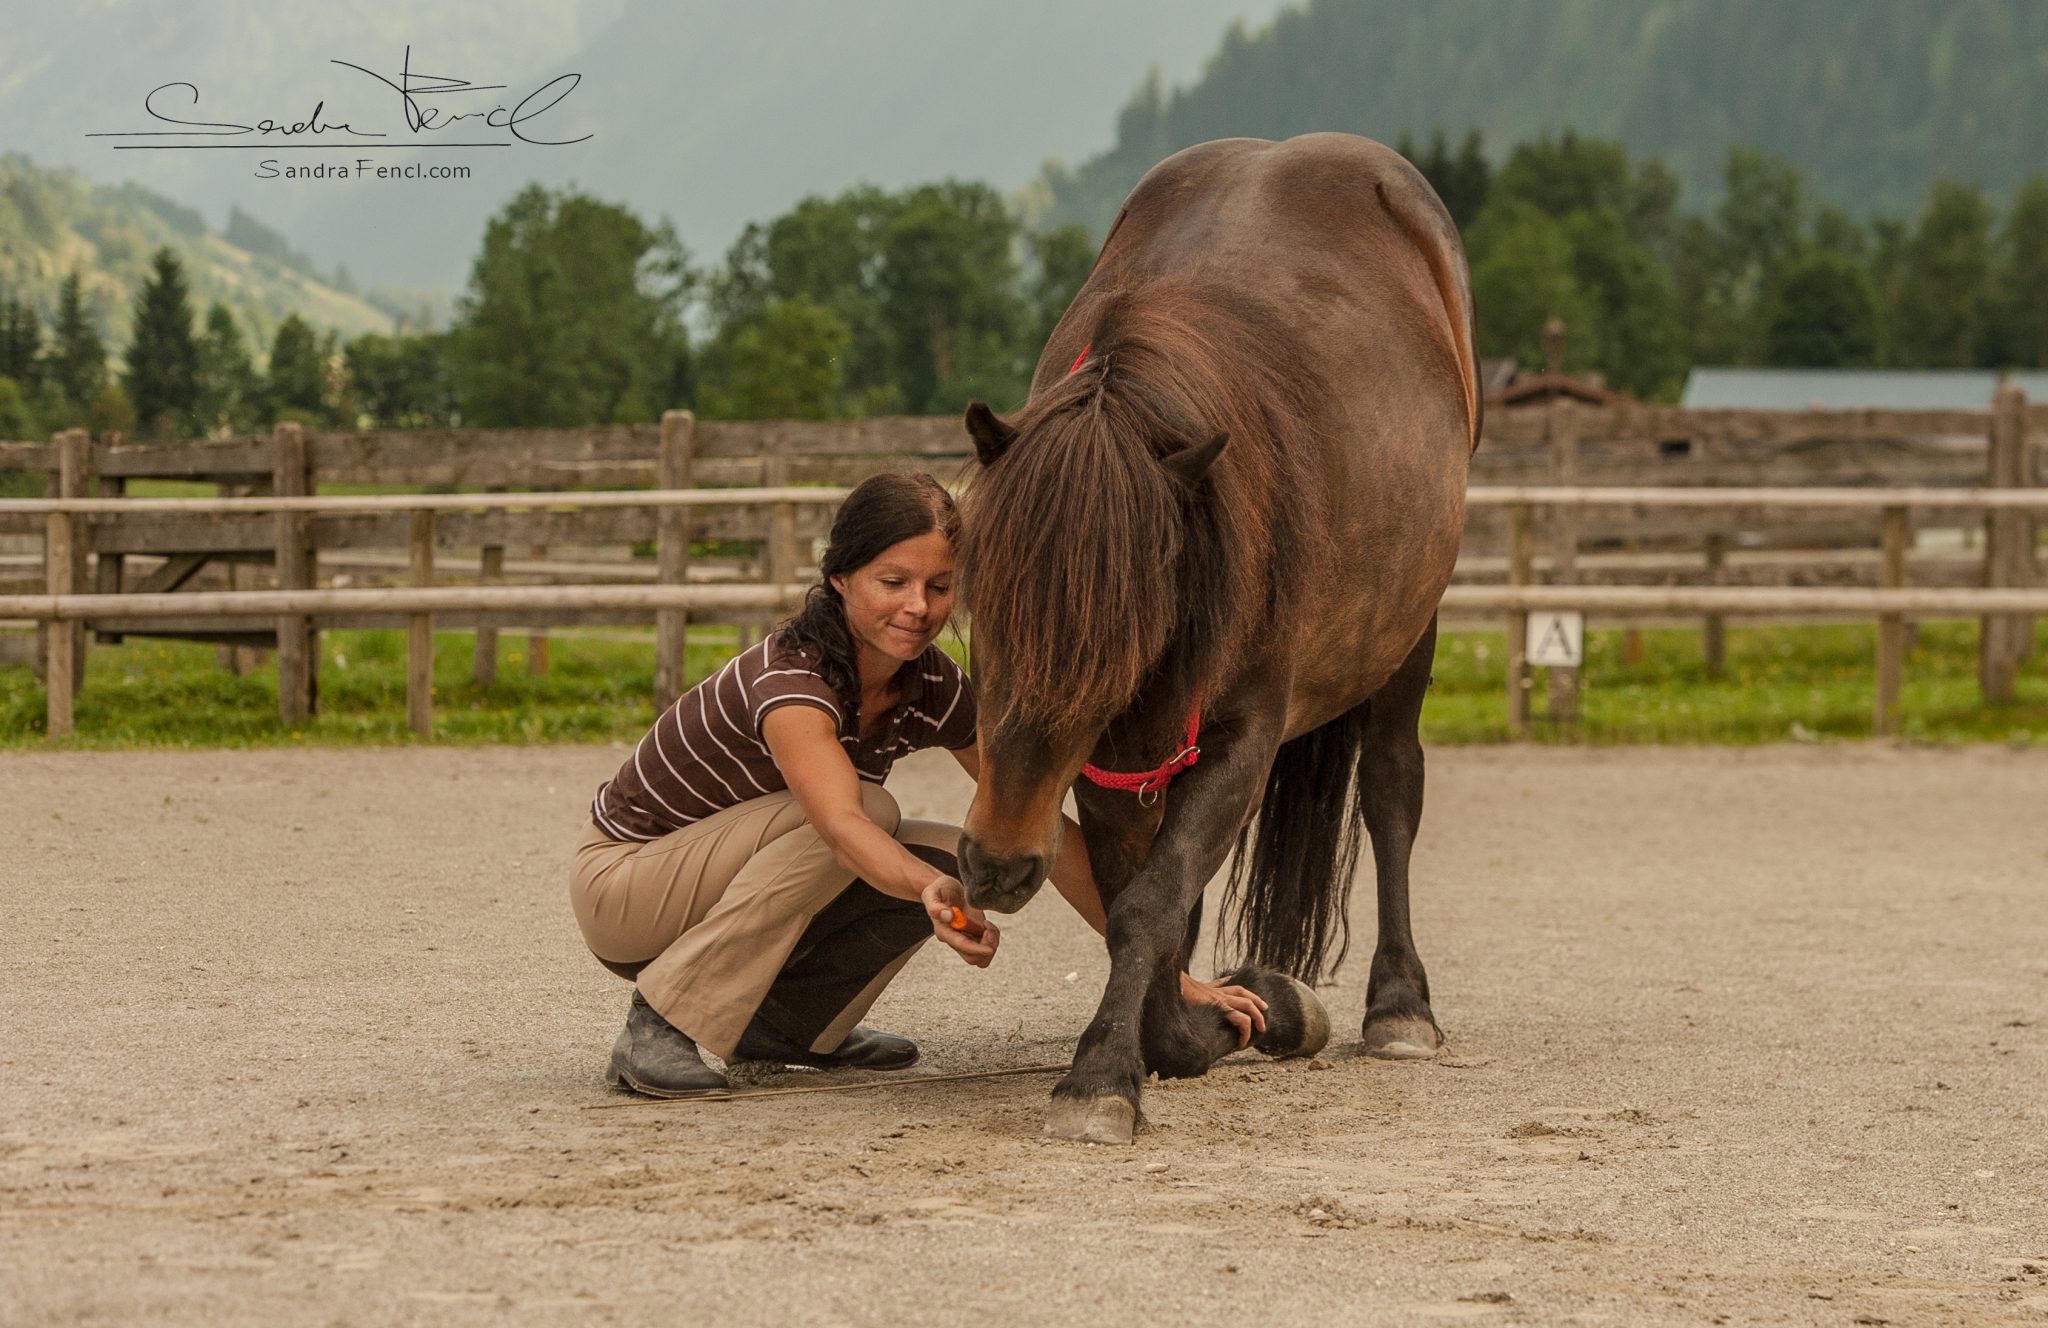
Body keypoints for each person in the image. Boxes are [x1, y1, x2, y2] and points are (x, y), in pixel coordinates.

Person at [568, 470, 1266, 1098]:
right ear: (840, 577)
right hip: (626, 891)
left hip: (719, 881)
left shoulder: (930, 683)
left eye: (939, 587)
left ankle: (786, 1028)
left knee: (944, 858)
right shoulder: (791, 682)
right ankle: (659, 1023)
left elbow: (1039, 819)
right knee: (872, 818)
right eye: (892, 582)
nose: (919, 608)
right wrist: (923, 891)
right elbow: (841, 828)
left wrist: (1163, 973)